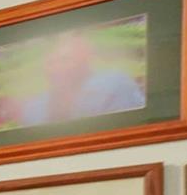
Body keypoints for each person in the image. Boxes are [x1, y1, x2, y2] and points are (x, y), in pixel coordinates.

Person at [16, 29, 145, 127]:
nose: (57, 68)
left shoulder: (115, 85)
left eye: (65, 59)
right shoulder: (34, 107)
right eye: (50, 62)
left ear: (85, 60)